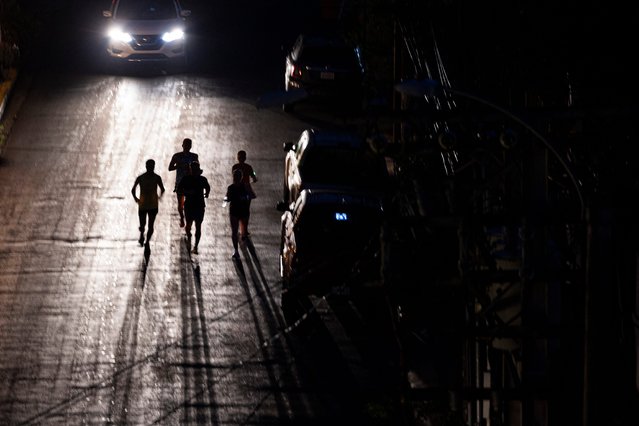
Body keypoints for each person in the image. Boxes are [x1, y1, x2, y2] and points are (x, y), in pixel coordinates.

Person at [177, 161, 210, 254]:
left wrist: (207, 193)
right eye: (193, 169)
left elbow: (208, 187)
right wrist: (187, 192)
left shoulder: (202, 179)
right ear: (191, 169)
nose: (194, 170)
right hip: (190, 205)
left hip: (198, 205)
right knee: (189, 224)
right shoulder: (186, 179)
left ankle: (195, 246)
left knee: (198, 226)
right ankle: (189, 236)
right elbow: (179, 189)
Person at [131, 159, 165, 246]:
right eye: (149, 166)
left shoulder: (145, 177)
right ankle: (143, 237)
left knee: (149, 225)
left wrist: (136, 198)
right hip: (148, 204)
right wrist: (159, 196)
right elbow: (162, 189)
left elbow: (133, 189)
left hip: (148, 205)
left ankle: (146, 240)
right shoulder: (150, 177)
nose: (150, 168)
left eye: (151, 166)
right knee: (145, 225)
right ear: (146, 166)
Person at [168, 138, 198, 228]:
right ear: (182, 145)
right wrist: (178, 166)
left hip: (191, 182)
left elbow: (197, 167)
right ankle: (182, 217)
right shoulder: (177, 156)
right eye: (186, 144)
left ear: (191, 146)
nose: (187, 146)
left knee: (189, 203)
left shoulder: (194, 156)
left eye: (189, 145)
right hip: (180, 182)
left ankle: (188, 220)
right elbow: (170, 168)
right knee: (181, 203)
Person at [225, 168, 252, 259]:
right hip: (240, 210)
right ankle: (236, 250)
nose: (236, 178)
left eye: (237, 176)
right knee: (235, 231)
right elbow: (251, 196)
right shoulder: (244, 186)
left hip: (237, 210)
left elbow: (227, 198)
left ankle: (236, 250)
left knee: (236, 232)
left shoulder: (232, 187)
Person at [231, 150, 257, 237]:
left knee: (236, 207)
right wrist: (254, 177)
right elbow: (253, 174)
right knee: (246, 210)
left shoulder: (235, 167)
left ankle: (240, 228)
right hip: (246, 189)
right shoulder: (248, 167)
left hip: (237, 189)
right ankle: (244, 229)